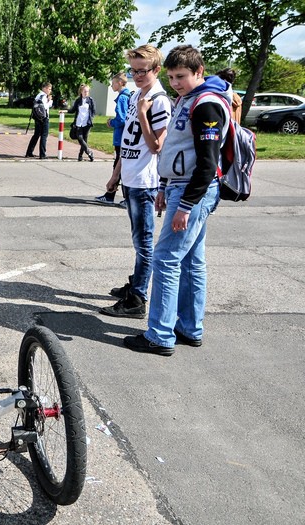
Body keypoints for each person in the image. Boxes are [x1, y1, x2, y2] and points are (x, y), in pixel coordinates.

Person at [124, 46, 229, 356]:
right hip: (180, 188)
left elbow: (208, 163)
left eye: (181, 76)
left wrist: (184, 204)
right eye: (170, 77)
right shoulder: (188, 99)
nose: (175, 83)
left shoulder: (206, 105)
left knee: (166, 259)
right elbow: (178, 149)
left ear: (199, 72)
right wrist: (164, 186)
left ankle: (159, 335)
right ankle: (189, 327)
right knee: (192, 262)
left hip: (192, 192)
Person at [100, 44, 171, 319]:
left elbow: (156, 146)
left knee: (144, 241)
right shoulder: (136, 96)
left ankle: (137, 299)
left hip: (145, 181)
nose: (137, 75)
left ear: (156, 69)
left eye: (142, 71)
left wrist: (143, 113)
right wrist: (115, 174)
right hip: (130, 178)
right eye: (133, 70)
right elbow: (129, 144)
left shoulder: (158, 100)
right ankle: (136, 282)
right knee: (137, 239)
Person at [97, 73, 131, 204]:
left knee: (120, 166)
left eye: (114, 82)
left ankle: (123, 197)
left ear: (121, 83)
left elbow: (122, 119)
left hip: (122, 137)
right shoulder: (126, 96)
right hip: (124, 137)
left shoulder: (123, 98)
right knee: (119, 165)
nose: (112, 85)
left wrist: (111, 122)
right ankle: (110, 195)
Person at [25, 82, 52, 159]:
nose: (50, 91)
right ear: (45, 88)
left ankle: (29, 152)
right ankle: (42, 154)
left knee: (36, 135)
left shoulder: (38, 96)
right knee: (44, 135)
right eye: (49, 89)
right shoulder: (43, 96)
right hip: (44, 118)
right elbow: (45, 107)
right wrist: (50, 101)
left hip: (37, 118)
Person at [70, 84, 96, 162]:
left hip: (87, 123)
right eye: (85, 91)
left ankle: (80, 155)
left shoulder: (91, 100)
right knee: (80, 138)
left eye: (87, 91)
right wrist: (65, 110)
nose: (86, 93)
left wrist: (91, 118)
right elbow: (73, 109)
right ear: (81, 92)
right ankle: (89, 152)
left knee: (84, 140)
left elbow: (93, 111)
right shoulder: (78, 100)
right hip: (78, 123)